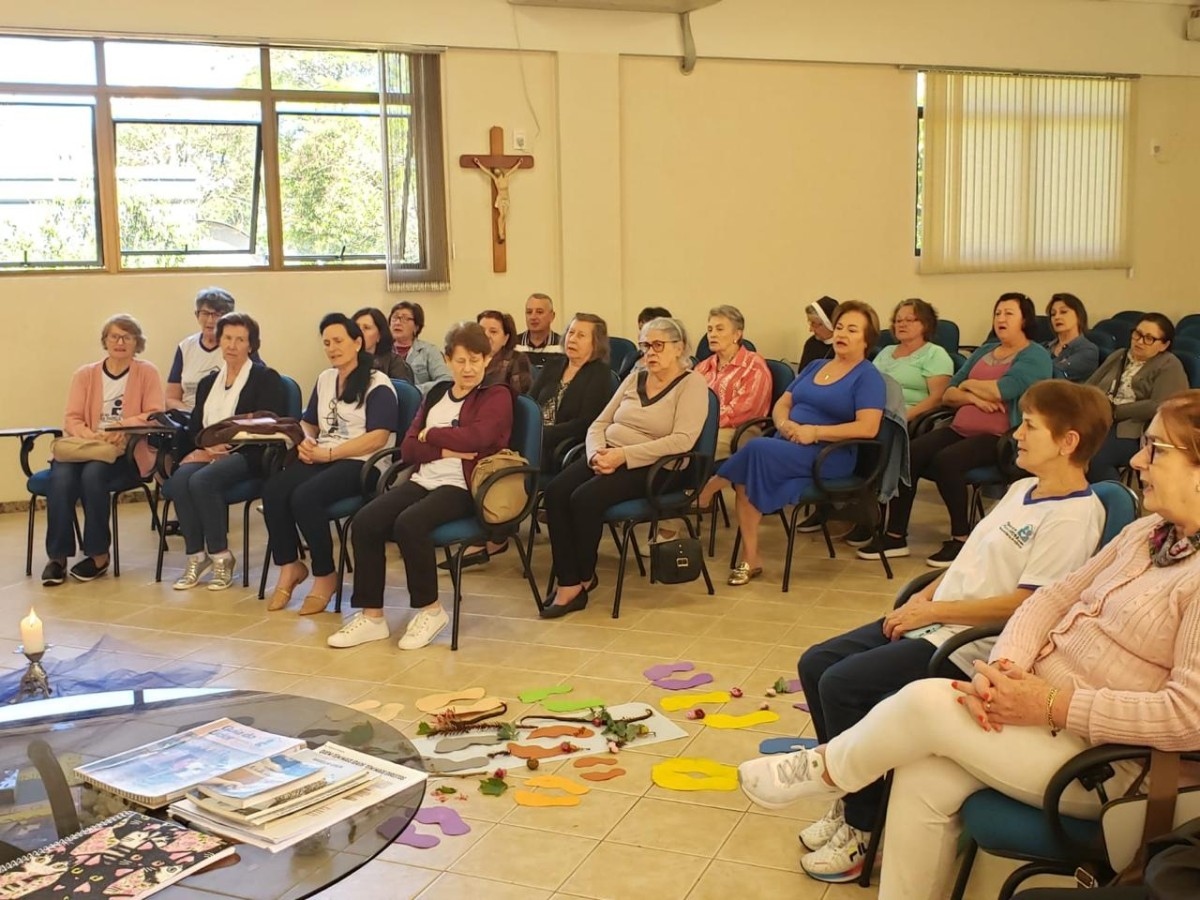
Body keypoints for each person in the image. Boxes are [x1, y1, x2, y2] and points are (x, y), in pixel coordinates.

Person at [736, 389, 1200, 900]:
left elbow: (1186, 716)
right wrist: (1003, 668)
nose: (1136, 458)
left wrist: (1051, 703)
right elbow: (1051, 599)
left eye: (1156, 448)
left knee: (924, 700)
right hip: (1038, 716)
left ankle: (827, 769)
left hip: (1111, 764)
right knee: (922, 773)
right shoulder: (1146, 534)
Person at [792, 380, 1111, 883]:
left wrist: (933, 614)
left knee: (843, 685)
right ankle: (852, 794)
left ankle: (862, 830)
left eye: (1030, 425)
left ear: (1069, 442)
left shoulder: (1074, 516)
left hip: (970, 645)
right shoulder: (1020, 488)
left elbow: (1026, 605)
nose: (1017, 434)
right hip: (938, 618)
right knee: (815, 663)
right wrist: (927, 595)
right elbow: (971, 557)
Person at [328, 322, 514, 651]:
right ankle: (371, 616)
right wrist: (446, 446)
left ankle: (431, 610)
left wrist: (435, 435)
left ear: (487, 360)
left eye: (475, 359)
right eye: (460, 360)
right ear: (447, 360)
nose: (468, 368)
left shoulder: (496, 395)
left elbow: (481, 438)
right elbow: (410, 447)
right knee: (366, 521)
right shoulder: (438, 394)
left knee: (409, 524)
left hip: (464, 486)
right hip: (424, 478)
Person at [857, 293, 1054, 567]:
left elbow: (1003, 390)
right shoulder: (985, 352)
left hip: (1001, 436)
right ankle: (895, 535)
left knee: (947, 461)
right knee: (910, 453)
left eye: (1009, 313)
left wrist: (969, 385)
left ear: (1025, 319)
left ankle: (962, 538)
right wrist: (972, 395)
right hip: (960, 427)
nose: (1000, 319)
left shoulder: (1035, 355)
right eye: (997, 313)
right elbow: (949, 394)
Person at [697, 301, 886, 586]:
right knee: (749, 473)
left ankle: (710, 487)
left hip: (829, 454)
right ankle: (751, 557)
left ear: (867, 339)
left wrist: (815, 432)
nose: (842, 334)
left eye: (852, 329)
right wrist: (785, 425)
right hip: (789, 443)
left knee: (757, 449)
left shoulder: (868, 376)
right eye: (839, 328)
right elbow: (783, 403)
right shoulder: (816, 366)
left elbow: (868, 428)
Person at [541, 317, 708, 618]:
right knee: (555, 492)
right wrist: (594, 455)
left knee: (584, 499)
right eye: (645, 346)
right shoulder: (634, 379)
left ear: (679, 347)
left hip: (661, 467)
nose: (650, 353)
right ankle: (575, 579)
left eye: (658, 345)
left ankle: (577, 582)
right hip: (608, 454)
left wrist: (624, 456)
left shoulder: (692, 383)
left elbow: (682, 441)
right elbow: (600, 424)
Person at [262, 314, 398, 615]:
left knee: (305, 496)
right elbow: (308, 422)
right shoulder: (325, 379)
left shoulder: (378, 382)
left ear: (357, 342)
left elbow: (378, 437)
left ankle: (325, 575)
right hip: (324, 455)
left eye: (339, 341)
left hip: (362, 463)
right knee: (273, 490)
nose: (332, 348)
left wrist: (331, 455)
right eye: (327, 343)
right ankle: (290, 565)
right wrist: (306, 441)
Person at [162, 313, 285, 591]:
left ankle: (221, 556)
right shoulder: (209, 383)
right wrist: (206, 447)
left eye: (240, 339)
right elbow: (196, 427)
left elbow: (267, 425)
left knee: (201, 480)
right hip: (210, 451)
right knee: (181, 479)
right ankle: (196, 555)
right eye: (227, 338)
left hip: (251, 454)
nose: (232, 345)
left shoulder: (265, 378)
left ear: (251, 345)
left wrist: (226, 447)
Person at [41, 315, 165, 586]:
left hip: (124, 451)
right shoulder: (85, 374)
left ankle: (98, 555)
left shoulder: (147, 372)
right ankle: (57, 557)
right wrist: (92, 434)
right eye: (114, 337)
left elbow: (155, 414)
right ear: (105, 341)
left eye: (127, 337)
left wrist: (123, 425)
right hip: (85, 445)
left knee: (93, 475)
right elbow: (72, 418)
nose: (120, 342)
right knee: (60, 479)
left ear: (137, 343)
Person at [1086, 313, 1188, 483]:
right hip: (1098, 419)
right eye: (1137, 334)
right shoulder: (1120, 355)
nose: (1139, 341)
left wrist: (1115, 411)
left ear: (1164, 345)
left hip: (1134, 429)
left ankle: (1116, 500)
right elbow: (1090, 385)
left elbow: (1160, 405)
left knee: (1096, 456)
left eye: (1149, 338)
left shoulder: (1169, 364)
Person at [529, 313, 614, 471]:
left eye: (581, 335)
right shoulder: (554, 365)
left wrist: (541, 434)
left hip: (558, 447)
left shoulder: (599, 374)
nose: (572, 339)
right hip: (532, 436)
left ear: (596, 343)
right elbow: (530, 402)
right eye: (571, 332)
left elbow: (585, 423)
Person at [693, 305, 772, 460]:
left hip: (738, 430)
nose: (712, 334)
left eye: (719, 329)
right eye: (710, 330)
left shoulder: (753, 365)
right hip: (701, 427)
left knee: (691, 449)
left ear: (737, 334)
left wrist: (700, 424)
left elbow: (743, 410)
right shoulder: (703, 366)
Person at [871, 299, 955, 421]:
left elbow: (937, 399)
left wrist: (901, 418)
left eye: (909, 320)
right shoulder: (886, 351)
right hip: (872, 413)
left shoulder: (935, 354)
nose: (901, 324)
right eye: (898, 320)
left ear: (926, 324)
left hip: (906, 418)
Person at [166, 287, 237, 413]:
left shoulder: (236, 346)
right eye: (205, 313)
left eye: (216, 314)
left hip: (224, 417)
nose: (210, 320)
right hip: (188, 417)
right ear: (197, 315)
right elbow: (171, 398)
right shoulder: (185, 347)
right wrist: (193, 417)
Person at [388, 301, 451, 395]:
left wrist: (414, 391)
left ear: (416, 327)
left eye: (404, 319)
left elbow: (445, 381)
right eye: (395, 317)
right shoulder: (381, 351)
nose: (397, 322)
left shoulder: (429, 351)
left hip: (421, 404)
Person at [1044, 293, 1100, 382]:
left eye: (1063, 312)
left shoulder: (1088, 350)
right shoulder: (1044, 347)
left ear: (1079, 316)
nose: (1057, 317)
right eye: (1053, 314)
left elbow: (1054, 374)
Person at [477, 309, 532, 394]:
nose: (486, 335)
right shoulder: (471, 359)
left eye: (493, 332)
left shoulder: (517, 359)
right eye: (481, 331)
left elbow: (519, 397)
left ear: (505, 338)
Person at [353, 307, 414, 383]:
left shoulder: (395, 363)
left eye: (366, 328)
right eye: (356, 327)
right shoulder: (345, 359)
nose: (359, 332)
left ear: (379, 335)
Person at [798, 296, 839, 370]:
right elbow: (802, 375)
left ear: (829, 324)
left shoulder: (843, 347)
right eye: (810, 323)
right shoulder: (811, 343)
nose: (810, 329)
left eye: (814, 323)